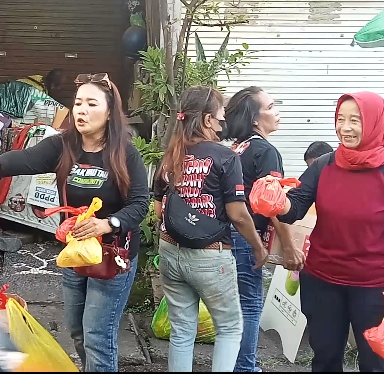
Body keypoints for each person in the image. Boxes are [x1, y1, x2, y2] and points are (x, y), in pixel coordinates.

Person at [0, 73, 149, 372]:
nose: (82, 110)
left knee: (97, 336)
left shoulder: (125, 153)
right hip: (75, 253)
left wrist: (108, 224)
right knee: (77, 332)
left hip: (112, 257)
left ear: (109, 112)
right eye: (78, 103)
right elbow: (25, 159)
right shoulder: (63, 146)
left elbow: (140, 204)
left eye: (92, 104)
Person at [152, 86, 268, 372]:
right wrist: (257, 246)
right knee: (229, 328)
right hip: (210, 256)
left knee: (182, 330)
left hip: (169, 250)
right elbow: (238, 215)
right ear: (207, 120)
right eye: (220, 118)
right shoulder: (225, 157)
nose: (222, 124)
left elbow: (158, 210)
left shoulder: (171, 154)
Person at [272, 92, 384, 372]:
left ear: (374, 122)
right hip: (323, 280)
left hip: (373, 286)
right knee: (325, 358)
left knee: (375, 363)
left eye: (355, 120)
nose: (345, 128)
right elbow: (295, 207)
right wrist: (276, 200)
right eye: (340, 119)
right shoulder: (325, 165)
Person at [223, 86, 305, 372]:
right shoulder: (265, 151)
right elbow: (273, 205)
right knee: (249, 304)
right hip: (246, 237)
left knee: (234, 307)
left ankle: (234, 364)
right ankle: (244, 367)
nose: (277, 111)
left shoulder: (238, 148)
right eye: (270, 107)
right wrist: (290, 248)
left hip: (226, 236)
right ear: (255, 119)